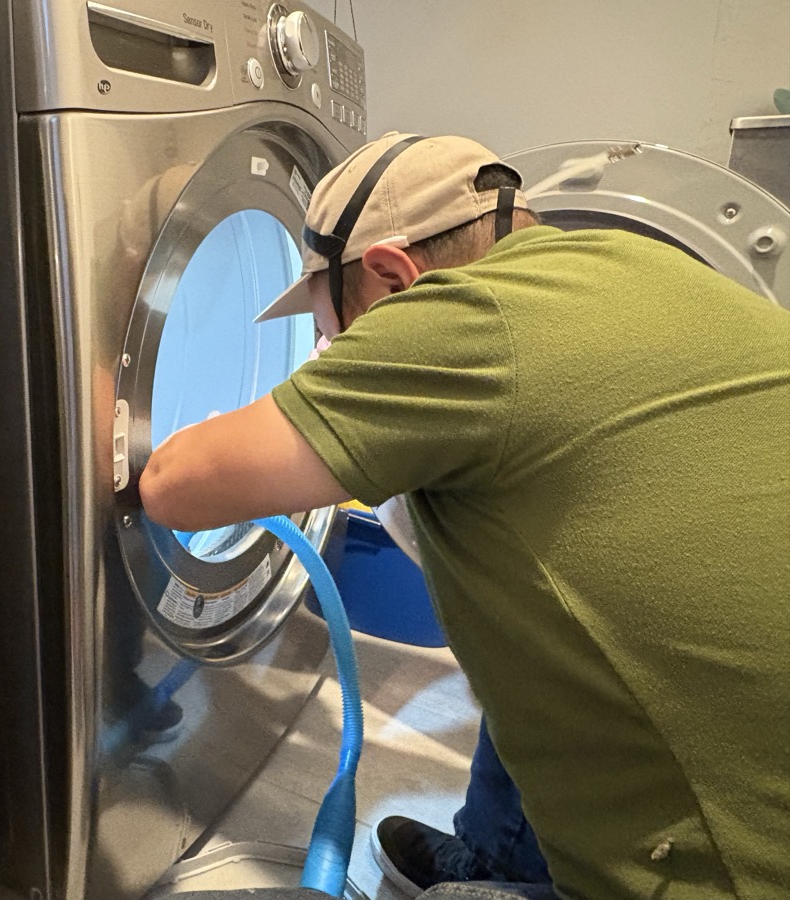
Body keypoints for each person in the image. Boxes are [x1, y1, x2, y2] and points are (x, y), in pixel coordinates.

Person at [140, 131, 790, 899]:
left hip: (744, 868)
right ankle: (499, 855)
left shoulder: (460, 317)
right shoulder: (638, 263)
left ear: (392, 275)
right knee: (527, 610)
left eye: (329, 331)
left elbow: (174, 486)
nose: (327, 350)